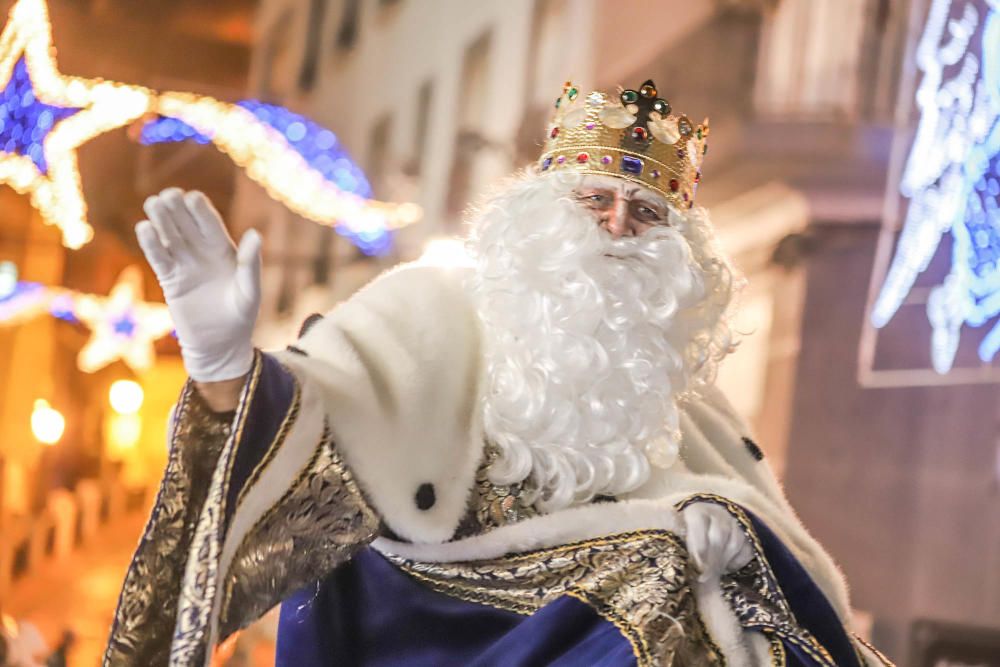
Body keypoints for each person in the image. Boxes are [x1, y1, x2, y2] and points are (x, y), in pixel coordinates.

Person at [104, 80, 893, 667]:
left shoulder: (689, 403)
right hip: (431, 627)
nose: (619, 227)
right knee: (656, 572)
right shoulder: (428, 314)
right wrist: (222, 368)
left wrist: (717, 527)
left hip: (609, 644)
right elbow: (307, 430)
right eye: (596, 200)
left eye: (646, 213)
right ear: (543, 215)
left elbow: (776, 560)